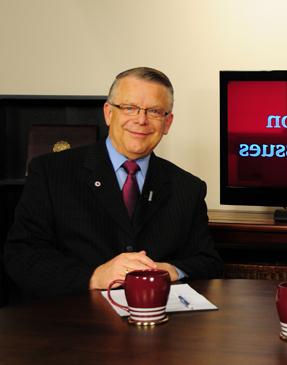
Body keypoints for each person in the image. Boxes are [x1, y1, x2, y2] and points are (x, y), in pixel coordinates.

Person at [4, 67, 223, 299]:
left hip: (157, 325)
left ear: (167, 123)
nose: (141, 120)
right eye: (130, 108)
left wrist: (171, 271)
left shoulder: (188, 188)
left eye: (155, 111)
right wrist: (94, 276)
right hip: (71, 322)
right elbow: (21, 257)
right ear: (109, 113)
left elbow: (208, 263)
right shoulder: (50, 172)